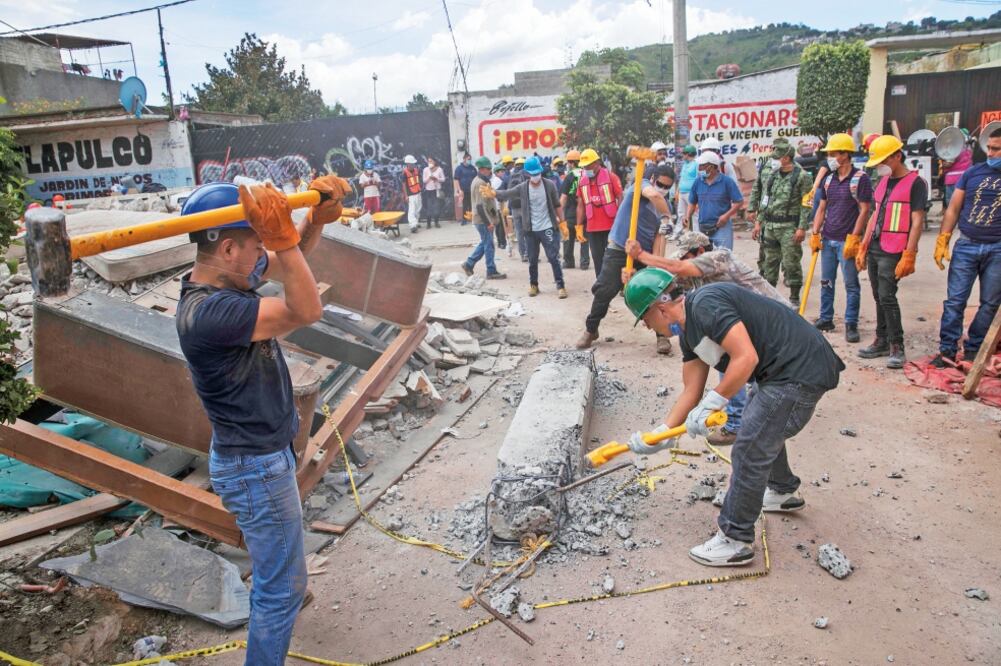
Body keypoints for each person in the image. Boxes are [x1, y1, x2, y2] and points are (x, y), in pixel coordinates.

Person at [176, 177, 348, 664]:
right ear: (229, 247)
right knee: (281, 591)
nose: (261, 258)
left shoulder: (222, 279)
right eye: (254, 246)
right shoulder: (211, 312)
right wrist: (286, 239)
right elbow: (306, 307)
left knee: (280, 579)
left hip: (257, 459)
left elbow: (287, 262)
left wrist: (310, 222)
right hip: (254, 469)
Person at [623, 269, 844, 567]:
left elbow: (746, 358)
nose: (648, 327)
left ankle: (735, 539)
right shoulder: (690, 332)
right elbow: (691, 390)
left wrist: (714, 402)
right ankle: (783, 491)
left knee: (750, 446)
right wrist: (662, 434)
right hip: (780, 374)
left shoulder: (705, 304)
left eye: (645, 319)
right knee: (761, 422)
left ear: (660, 308)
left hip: (799, 371)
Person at [626, 230, 789, 445]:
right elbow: (664, 284)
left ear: (700, 251)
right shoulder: (693, 293)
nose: (680, 265)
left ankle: (736, 422)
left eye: (684, 257)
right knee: (729, 363)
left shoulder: (720, 258)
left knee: (736, 369)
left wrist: (641, 255)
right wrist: (637, 280)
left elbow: (677, 269)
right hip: (749, 335)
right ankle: (742, 421)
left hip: (777, 330)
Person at [576, 164, 674, 351]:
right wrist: (667, 217)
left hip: (643, 254)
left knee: (655, 292)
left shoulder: (663, 205)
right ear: (653, 179)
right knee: (605, 289)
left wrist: (656, 267)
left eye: (668, 187)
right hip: (620, 248)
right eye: (661, 184)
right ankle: (591, 329)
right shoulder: (640, 186)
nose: (663, 189)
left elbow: (659, 239)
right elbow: (654, 195)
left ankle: (662, 335)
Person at [931, 126, 1001, 367]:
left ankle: (974, 347)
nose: (990, 153)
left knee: (991, 303)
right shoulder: (972, 174)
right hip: (967, 245)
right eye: (989, 148)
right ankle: (947, 350)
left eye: (996, 149)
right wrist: (944, 238)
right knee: (955, 301)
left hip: (998, 248)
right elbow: (953, 208)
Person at [855, 135, 927, 369]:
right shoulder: (884, 181)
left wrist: (910, 253)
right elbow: (875, 214)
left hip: (894, 248)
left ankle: (897, 345)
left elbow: (917, 221)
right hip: (876, 245)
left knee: (887, 295)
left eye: (883, 160)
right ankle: (882, 339)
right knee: (878, 295)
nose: (879, 166)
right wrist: (863, 245)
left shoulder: (915, 183)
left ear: (897, 156)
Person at [810, 134, 874, 343]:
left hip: (847, 240)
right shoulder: (829, 180)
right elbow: (822, 207)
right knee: (826, 281)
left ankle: (851, 323)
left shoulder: (860, 179)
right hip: (828, 240)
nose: (829, 158)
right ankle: (826, 318)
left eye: (833, 153)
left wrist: (855, 238)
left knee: (851, 284)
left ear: (845, 155)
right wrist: (815, 232)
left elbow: (865, 210)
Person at [749, 138, 812, 306]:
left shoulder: (802, 176)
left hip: (789, 227)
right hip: (770, 226)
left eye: (777, 157)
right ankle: (771, 298)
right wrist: (758, 222)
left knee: (791, 263)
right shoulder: (772, 176)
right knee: (769, 264)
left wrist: (802, 227)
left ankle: (794, 296)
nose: (774, 160)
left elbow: (806, 204)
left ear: (786, 157)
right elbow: (765, 200)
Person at [495, 156, 568, 298]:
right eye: (533, 174)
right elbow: (508, 193)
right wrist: (494, 193)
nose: (536, 177)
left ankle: (561, 286)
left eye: (537, 173)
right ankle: (534, 285)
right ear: (527, 174)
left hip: (547, 228)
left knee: (553, 257)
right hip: (530, 230)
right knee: (532, 259)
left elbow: (557, 205)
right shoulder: (523, 188)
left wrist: (563, 223)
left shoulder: (549, 185)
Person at [576, 148, 623, 277]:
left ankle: (619, 284)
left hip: (611, 226)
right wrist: (579, 226)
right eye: (584, 166)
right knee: (597, 259)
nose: (586, 168)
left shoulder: (611, 177)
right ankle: (601, 284)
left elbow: (620, 197)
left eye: (588, 165)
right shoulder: (582, 181)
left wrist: (621, 221)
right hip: (592, 228)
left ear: (597, 163)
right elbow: (581, 205)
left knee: (615, 257)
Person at [461, 157, 507, 280]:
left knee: (485, 243)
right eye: (488, 169)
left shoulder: (482, 181)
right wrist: (488, 223)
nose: (490, 171)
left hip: (485, 218)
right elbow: (480, 206)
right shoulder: (479, 183)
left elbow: (488, 202)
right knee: (489, 245)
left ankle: (469, 264)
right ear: (481, 169)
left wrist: (494, 217)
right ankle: (491, 270)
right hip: (483, 220)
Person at [686, 151, 743, 251]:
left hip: (722, 228)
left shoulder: (727, 182)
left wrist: (726, 216)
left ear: (712, 166)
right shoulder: (698, 182)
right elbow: (692, 202)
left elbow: (739, 202)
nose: (699, 169)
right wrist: (687, 216)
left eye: (702, 166)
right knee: (704, 260)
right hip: (703, 228)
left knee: (724, 258)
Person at [560, 149, 588, 270]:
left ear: (571, 163)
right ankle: (584, 263)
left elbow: (564, 197)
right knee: (582, 236)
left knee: (567, 237)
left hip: (571, 212)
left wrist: (559, 214)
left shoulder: (569, 176)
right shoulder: (586, 174)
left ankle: (568, 261)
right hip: (584, 211)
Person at [504, 157, 530, 262]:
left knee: (519, 232)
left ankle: (522, 254)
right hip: (524, 206)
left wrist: (507, 206)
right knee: (528, 231)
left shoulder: (511, 176)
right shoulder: (526, 174)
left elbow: (506, 190)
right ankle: (529, 254)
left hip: (514, 207)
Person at [942, 139, 973, 205]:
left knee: (951, 203)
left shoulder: (953, 149)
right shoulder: (967, 149)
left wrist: (943, 164)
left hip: (952, 180)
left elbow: (949, 164)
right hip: (966, 178)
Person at [676, 145, 699, 235]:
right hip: (682, 192)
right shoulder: (685, 164)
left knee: (694, 214)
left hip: (691, 193)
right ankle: (680, 233)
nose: (683, 155)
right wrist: (677, 191)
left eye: (684, 153)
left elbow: (698, 179)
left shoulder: (696, 164)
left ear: (689, 154)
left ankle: (697, 234)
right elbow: (681, 178)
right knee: (681, 213)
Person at [421, 156, 445, 228]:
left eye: (431, 161)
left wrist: (436, 178)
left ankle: (436, 222)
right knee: (429, 207)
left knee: (436, 207)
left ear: (434, 162)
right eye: (428, 161)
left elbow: (443, 179)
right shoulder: (425, 170)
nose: (429, 163)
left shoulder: (439, 169)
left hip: (436, 190)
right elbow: (424, 181)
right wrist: (429, 177)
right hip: (429, 191)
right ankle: (428, 223)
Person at [453, 153, 477, 225]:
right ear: (464, 159)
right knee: (465, 205)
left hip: (472, 190)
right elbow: (456, 180)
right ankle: (464, 219)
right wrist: (459, 190)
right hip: (463, 190)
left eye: (470, 159)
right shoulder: (459, 168)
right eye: (468, 159)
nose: (469, 161)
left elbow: (476, 178)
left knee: (472, 204)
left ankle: (472, 218)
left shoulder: (472, 168)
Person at [402, 155, 422, 235]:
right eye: (412, 164)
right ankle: (413, 226)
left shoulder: (416, 170)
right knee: (412, 210)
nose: (413, 165)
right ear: (408, 164)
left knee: (418, 208)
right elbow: (403, 185)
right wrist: (406, 195)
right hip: (411, 194)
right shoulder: (405, 172)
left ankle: (416, 222)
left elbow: (419, 180)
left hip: (417, 192)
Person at [491, 162, 508, 250]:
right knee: (501, 225)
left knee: (498, 225)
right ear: (497, 173)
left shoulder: (495, 180)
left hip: (495, 206)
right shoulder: (498, 181)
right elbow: (500, 195)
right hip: (498, 206)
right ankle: (502, 243)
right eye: (502, 172)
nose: (503, 173)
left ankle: (500, 242)